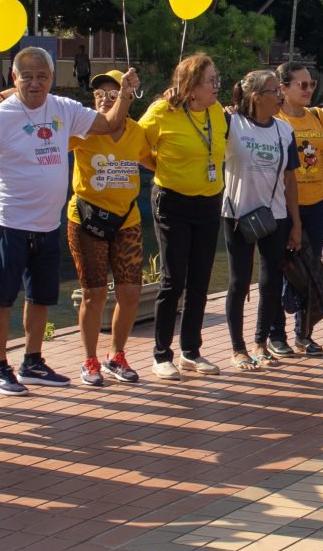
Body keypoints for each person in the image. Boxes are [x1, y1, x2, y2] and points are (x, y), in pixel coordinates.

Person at [0, 46, 128, 395]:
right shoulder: (2, 115)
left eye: (42, 76)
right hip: (10, 221)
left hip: (47, 224)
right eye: (26, 76)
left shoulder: (63, 108)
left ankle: (33, 361)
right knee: (2, 297)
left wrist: (127, 94)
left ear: (52, 79)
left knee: (40, 296)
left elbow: (109, 123)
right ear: (13, 78)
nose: (34, 83)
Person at [145, 53, 227, 378]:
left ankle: (190, 351)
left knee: (200, 281)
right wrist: (161, 167)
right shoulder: (162, 112)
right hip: (172, 202)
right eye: (211, 80)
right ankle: (161, 354)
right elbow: (138, 146)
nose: (217, 85)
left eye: (217, 79)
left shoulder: (217, 112)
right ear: (192, 87)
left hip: (208, 202)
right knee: (173, 279)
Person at [67, 69, 150, 387]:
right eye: (99, 93)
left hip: (127, 220)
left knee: (130, 292)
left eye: (112, 94)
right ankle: (89, 359)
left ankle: (117, 355)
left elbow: (153, 160)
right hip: (87, 219)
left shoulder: (136, 132)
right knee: (94, 294)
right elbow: (50, 142)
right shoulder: (84, 130)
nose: (104, 98)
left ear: (125, 99)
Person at [222, 69, 301, 369]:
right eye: (273, 91)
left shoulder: (284, 130)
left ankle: (260, 343)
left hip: (275, 216)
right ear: (256, 96)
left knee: (270, 282)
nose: (280, 96)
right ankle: (237, 348)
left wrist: (296, 223)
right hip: (237, 215)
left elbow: (290, 180)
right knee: (239, 283)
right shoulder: (232, 123)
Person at [276, 61, 323, 357]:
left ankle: (304, 334)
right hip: (284, 206)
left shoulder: (317, 115)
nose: (309, 90)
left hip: (317, 203)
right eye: (302, 85)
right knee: (286, 269)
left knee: (310, 271)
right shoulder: (277, 119)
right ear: (283, 88)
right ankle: (276, 334)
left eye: (311, 85)